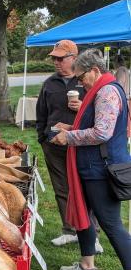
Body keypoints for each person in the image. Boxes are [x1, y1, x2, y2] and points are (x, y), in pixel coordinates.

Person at [52, 48, 131, 270]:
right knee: (84, 218)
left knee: (110, 223)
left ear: (95, 71)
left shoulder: (106, 91)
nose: (80, 83)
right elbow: (96, 124)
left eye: (82, 77)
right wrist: (72, 126)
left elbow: (102, 132)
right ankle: (87, 268)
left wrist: (70, 137)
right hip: (92, 168)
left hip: (102, 170)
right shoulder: (101, 88)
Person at [36, 40, 97, 247]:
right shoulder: (49, 83)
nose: (56, 62)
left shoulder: (87, 81)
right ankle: (69, 229)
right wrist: (42, 138)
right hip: (53, 144)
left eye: (60, 58)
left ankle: (92, 232)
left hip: (81, 143)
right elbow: (41, 113)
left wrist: (82, 107)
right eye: (54, 58)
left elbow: (101, 115)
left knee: (86, 187)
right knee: (62, 188)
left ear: (74, 58)